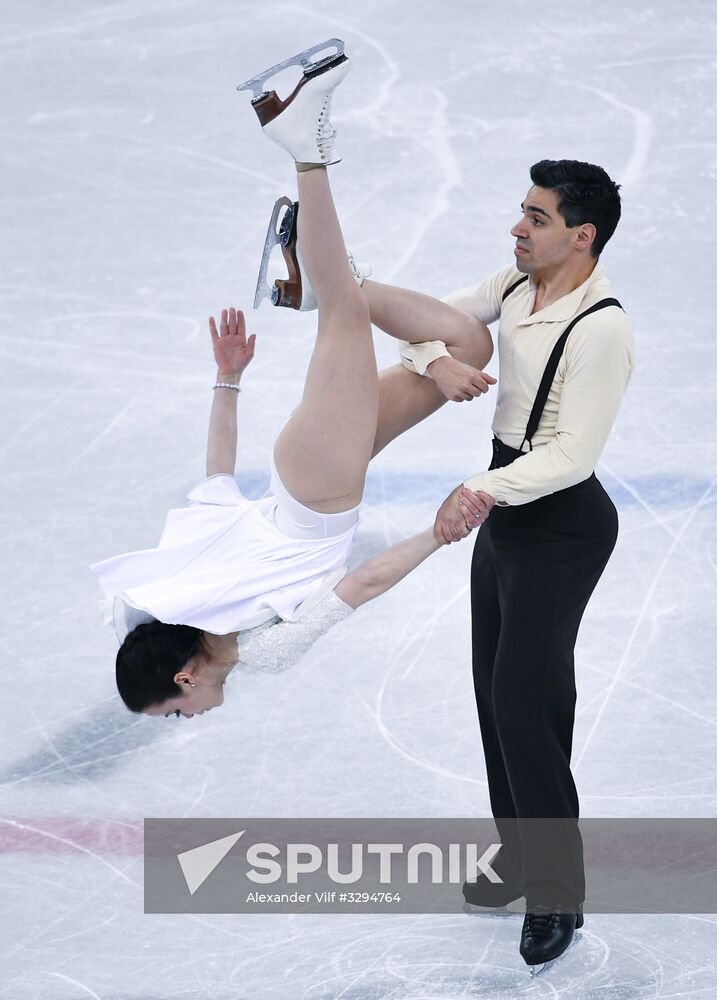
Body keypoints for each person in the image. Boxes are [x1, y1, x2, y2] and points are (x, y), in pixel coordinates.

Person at [90, 44, 495, 722]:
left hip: (321, 485)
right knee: (467, 343)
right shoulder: (197, 582)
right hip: (316, 470)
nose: (187, 721)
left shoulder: (264, 649)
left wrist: (438, 533)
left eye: (172, 715)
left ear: (185, 681)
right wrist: (226, 380)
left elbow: (364, 581)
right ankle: (317, 282)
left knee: (345, 311)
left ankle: (304, 141)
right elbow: (217, 479)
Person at [352, 160, 635, 971]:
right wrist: (436, 361)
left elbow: (572, 457)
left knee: (527, 702)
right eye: (521, 212)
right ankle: (519, 856)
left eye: (537, 218)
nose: (518, 228)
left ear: (580, 237)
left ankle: (557, 892)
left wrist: (477, 486)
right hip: (507, 517)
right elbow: (429, 322)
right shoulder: (516, 285)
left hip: (561, 525)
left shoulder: (601, 326)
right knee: (492, 691)